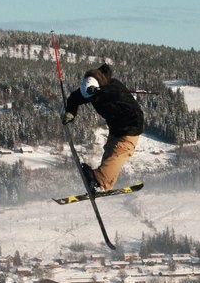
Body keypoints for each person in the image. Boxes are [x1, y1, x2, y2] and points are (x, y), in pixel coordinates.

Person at [61, 63, 144, 191]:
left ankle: (99, 180)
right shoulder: (89, 90)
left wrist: (104, 92)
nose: (92, 100)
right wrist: (70, 112)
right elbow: (75, 98)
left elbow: (117, 95)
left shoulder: (113, 88)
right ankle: (103, 184)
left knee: (119, 153)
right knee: (110, 153)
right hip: (115, 127)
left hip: (131, 126)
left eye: (93, 97)